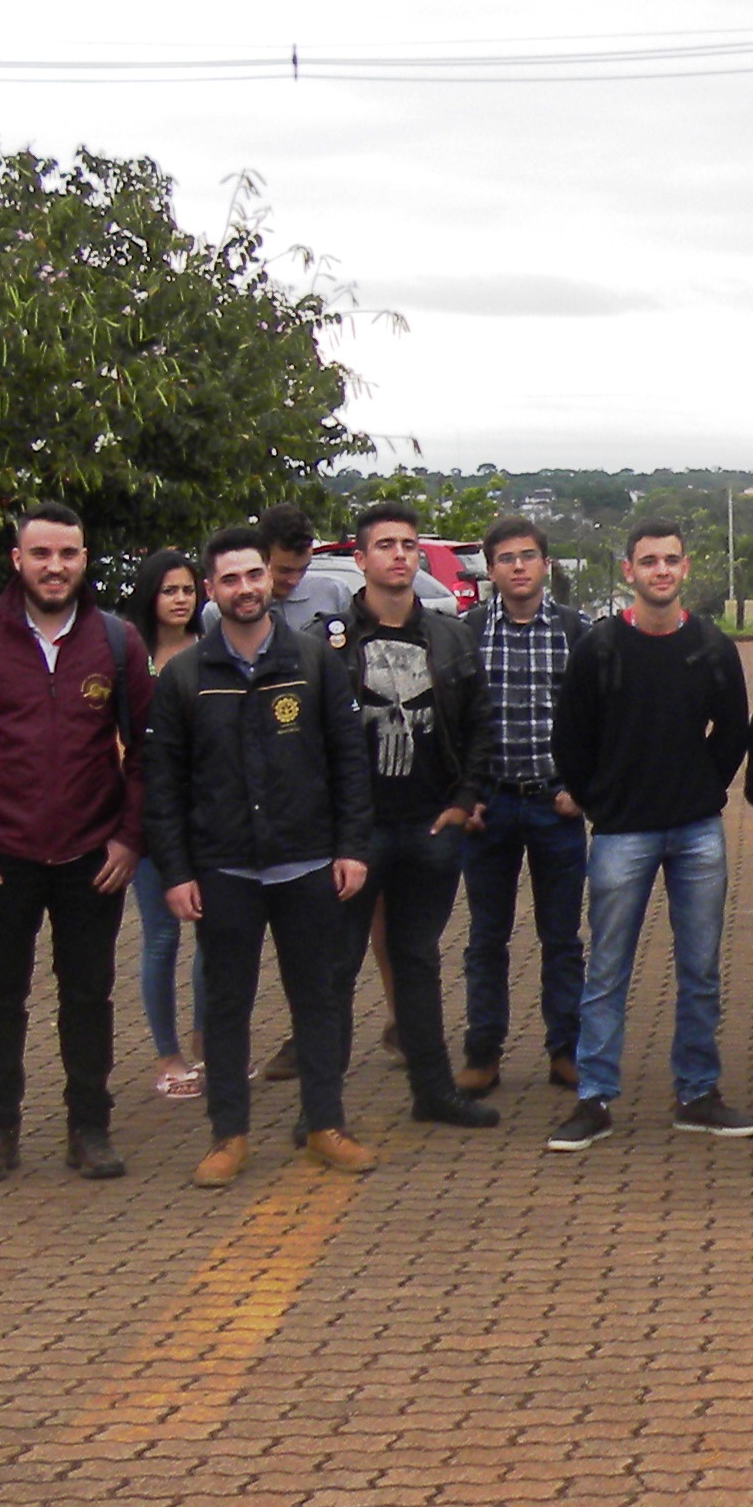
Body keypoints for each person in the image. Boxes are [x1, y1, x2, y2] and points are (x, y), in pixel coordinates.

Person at [0, 501, 154, 1186]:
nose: (55, 567)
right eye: (42, 554)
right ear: (17, 560)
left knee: (89, 996)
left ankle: (90, 1129)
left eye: (68, 554)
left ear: (84, 560)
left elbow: (149, 749)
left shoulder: (117, 641)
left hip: (93, 857)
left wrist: (128, 838)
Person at [145, 526, 376, 1185]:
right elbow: (163, 786)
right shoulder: (185, 675)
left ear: (268, 580)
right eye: (230, 579)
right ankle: (229, 1136)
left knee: (318, 999)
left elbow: (349, 761)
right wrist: (177, 872)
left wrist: (352, 847)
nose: (245, 589)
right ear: (210, 590)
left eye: (254, 575)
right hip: (224, 870)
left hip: (307, 862)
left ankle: (325, 1125)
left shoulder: (313, 661)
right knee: (226, 1007)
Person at [551, 520, 753, 1148]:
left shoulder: (712, 647)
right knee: (607, 969)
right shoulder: (599, 648)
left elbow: (734, 731)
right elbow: (570, 738)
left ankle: (697, 1092)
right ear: (629, 571)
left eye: (671, 560)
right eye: (648, 561)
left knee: (700, 970)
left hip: (696, 830)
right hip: (621, 833)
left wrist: (704, 787)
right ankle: (594, 1097)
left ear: (685, 567)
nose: (660, 571)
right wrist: (600, 800)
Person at [309, 502, 499, 1132]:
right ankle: (321, 1109)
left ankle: (433, 1091)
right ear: (359, 558)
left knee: (418, 959)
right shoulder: (325, 642)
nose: (399, 555)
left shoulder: (450, 637)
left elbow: (479, 724)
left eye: (409, 545)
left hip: (428, 826)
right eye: (386, 545)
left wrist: (464, 799)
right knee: (334, 969)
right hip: (353, 834)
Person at [460, 515, 593, 1099]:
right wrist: (464, 796)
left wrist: (583, 789)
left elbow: (598, 717)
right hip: (488, 808)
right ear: (490, 569)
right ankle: (482, 1053)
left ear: (546, 564)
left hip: (554, 807)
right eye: (506, 558)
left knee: (561, 940)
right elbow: (453, 722)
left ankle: (567, 1050)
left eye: (529, 556)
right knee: (486, 939)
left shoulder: (575, 631)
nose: (518, 567)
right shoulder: (466, 633)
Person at [118, 548, 207, 1100]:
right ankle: (167, 1054)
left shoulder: (212, 648)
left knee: (212, 935)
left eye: (188, 590)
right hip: (151, 814)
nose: (179, 600)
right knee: (161, 934)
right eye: (169, 590)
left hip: (210, 812)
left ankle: (207, 1042)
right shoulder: (129, 655)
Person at [260, 502, 332, 634]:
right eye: (284, 571)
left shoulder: (335, 594)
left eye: (303, 569)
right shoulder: (229, 607)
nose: (295, 580)